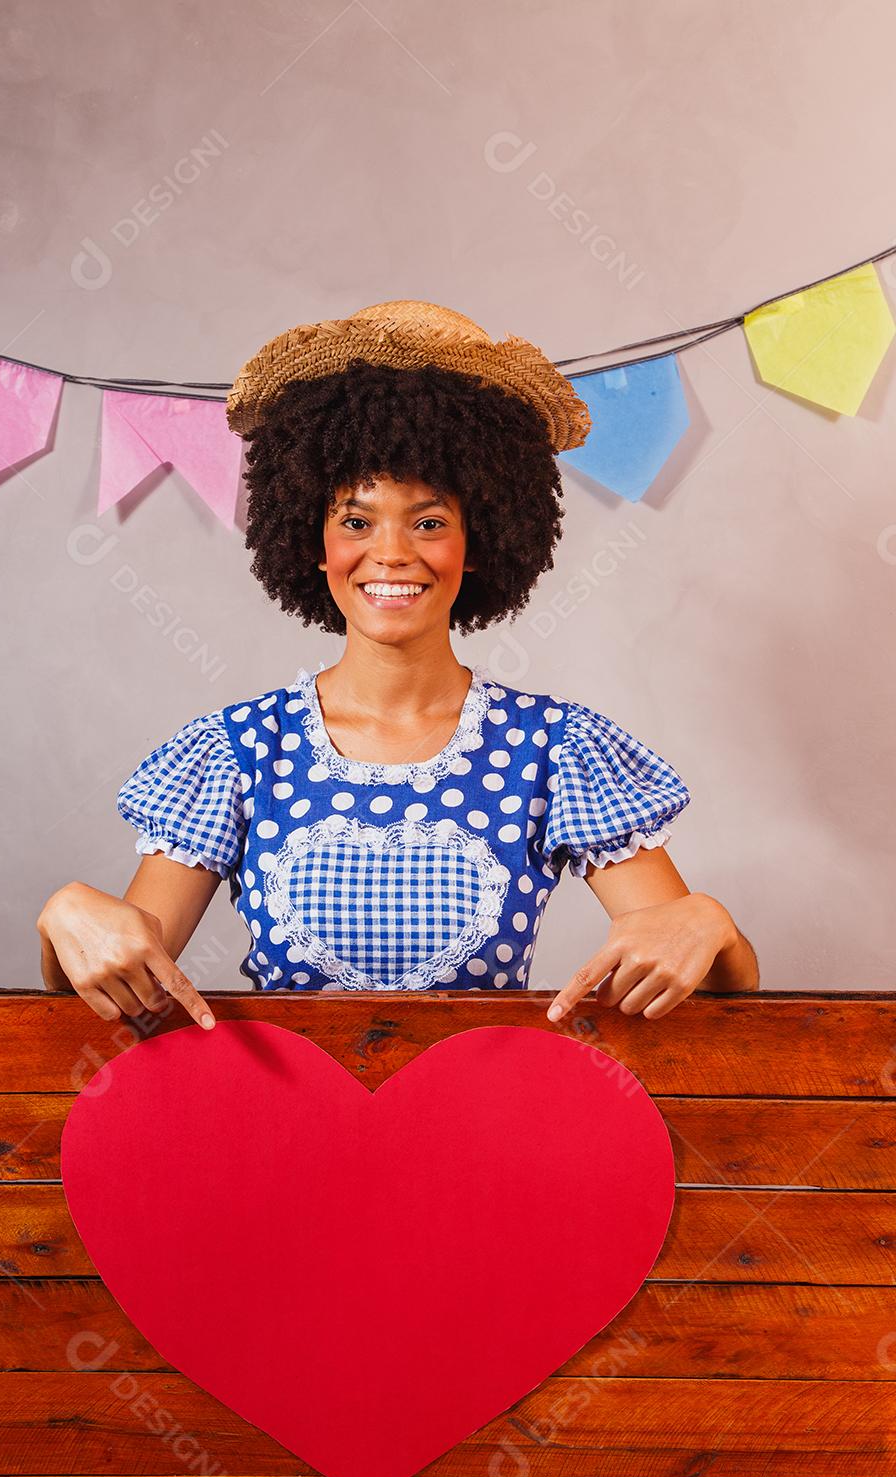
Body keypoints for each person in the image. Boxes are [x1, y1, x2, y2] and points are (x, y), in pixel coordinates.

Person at [37, 300, 758, 1028]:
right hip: (287, 1127)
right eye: (356, 520)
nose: (390, 553)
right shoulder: (239, 752)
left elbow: (710, 980)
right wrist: (63, 921)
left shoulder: (557, 750)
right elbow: (119, 972)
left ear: (480, 544)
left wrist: (709, 924)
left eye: (430, 521)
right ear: (311, 544)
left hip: (485, 1124)